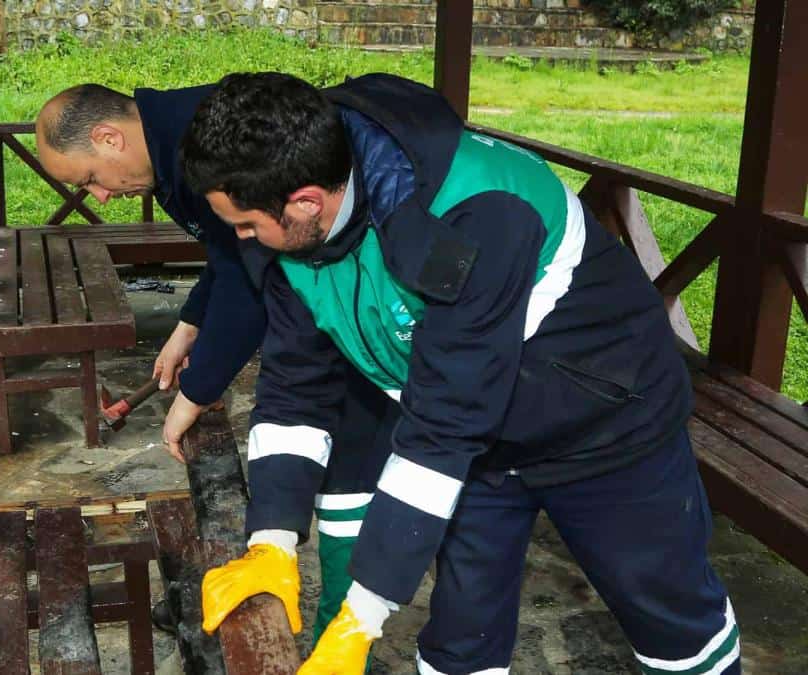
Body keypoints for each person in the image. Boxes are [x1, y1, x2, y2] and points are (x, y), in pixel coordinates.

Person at [182, 72, 739, 675]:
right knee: (460, 642)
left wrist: (360, 621)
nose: (240, 240)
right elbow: (293, 389)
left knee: (673, 626)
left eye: (244, 224)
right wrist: (272, 542)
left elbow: (445, 421)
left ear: (307, 201)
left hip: (608, 429)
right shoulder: (288, 235)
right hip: (481, 453)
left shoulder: (479, 212)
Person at [35, 84, 398, 648]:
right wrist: (188, 327)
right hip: (324, 307)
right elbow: (229, 256)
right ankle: (338, 628)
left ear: (109, 138)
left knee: (354, 474)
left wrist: (194, 394)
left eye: (87, 179)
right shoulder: (170, 143)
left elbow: (249, 283)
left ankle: (346, 633)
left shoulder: (198, 144)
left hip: (358, 308)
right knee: (328, 468)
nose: (98, 197)